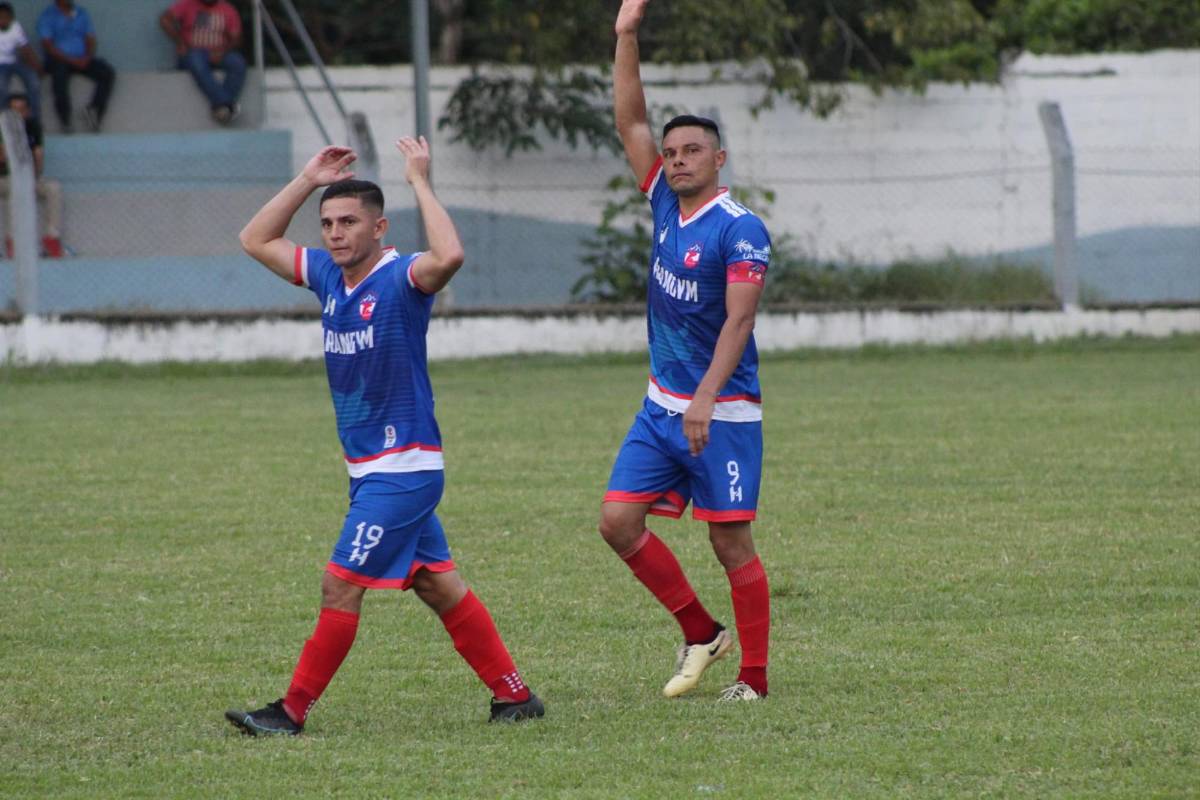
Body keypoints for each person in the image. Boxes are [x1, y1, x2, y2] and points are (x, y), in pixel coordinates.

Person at [226, 139, 545, 735]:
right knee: (437, 583)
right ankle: (515, 696)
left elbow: (449, 254)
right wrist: (307, 178)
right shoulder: (326, 275)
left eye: (348, 222)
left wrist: (420, 179)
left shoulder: (401, 277)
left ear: (379, 227)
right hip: (371, 469)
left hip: (403, 468)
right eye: (326, 224)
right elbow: (254, 239)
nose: (334, 234)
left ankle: (289, 713)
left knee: (340, 585)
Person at [598, 0, 773, 702]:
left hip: (721, 413)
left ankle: (753, 680)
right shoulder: (665, 203)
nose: (674, 161)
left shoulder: (741, 229)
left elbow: (739, 322)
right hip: (660, 406)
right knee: (617, 521)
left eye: (690, 151)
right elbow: (630, 120)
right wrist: (626, 34)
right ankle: (701, 630)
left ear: (719, 158)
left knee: (730, 544)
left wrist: (704, 397)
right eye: (670, 154)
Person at [159, 0, 245, 124]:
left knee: (238, 62)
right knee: (196, 60)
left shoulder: (228, 9)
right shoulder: (187, 4)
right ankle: (226, 103)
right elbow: (164, 20)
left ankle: (222, 108)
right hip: (193, 52)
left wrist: (222, 51)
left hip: (219, 52)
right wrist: (180, 42)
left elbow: (237, 38)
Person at [0, 92, 65, 257]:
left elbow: (38, 153)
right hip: (4, 178)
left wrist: (35, 173)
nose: (18, 115)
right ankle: (12, 241)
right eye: (13, 111)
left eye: (21, 110)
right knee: (14, 189)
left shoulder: (33, 126)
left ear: (27, 111)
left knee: (53, 188)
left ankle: (52, 238)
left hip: (28, 177)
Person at [36, 0, 114, 133]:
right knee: (59, 78)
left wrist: (87, 57)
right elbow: (48, 45)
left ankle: (93, 110)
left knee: (107, 72)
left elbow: (90, 38)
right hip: (59, 58)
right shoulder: (47, 15)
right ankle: (65, 120)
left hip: (81, 58)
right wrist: (71, 60)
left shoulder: (81, 12)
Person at [0, 3, 43, 120]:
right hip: (1, 65)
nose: (3, 21)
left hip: (15, 62)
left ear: (11, 18)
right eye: (1, 18)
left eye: (6, 18)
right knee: (2, 86)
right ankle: (3, 120)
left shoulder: (16, 27)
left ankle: (34, 117)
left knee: (33, 81)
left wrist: (37, 66)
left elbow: (26, 49)